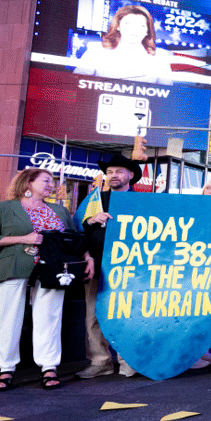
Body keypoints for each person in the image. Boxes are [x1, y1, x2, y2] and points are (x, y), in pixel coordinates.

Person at [0, 169, 87, 391]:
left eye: (52, 182)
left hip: (53, 269)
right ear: (28, 182)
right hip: (12, 267)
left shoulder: (59, 210)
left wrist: (87, 258)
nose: (51, 185)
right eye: (46, 180)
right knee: (9, 319)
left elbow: (73, 240)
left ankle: (49, 366)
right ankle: (6, 368)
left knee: (50, 319)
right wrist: (23, 239)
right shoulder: (3, 208)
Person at [74, 155, 143, 379]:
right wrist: (91, 221)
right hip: (97, 265)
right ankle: (100, 361)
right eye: (110, 172)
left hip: (129, 269)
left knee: (127, 315)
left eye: (119, 171)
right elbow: (77, 229)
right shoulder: (94, 199)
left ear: (130, 176)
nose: (114, 175)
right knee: (93, 315)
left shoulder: (144, 201)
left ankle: (128, 361)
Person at [72, 4, 175, 85]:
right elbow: (76, 83)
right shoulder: (96, 50)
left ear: (147, 31)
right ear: (118, 26)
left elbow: (167, 93)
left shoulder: (160, 57)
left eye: (141, 25)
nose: (134, 30)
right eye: (128, 24)